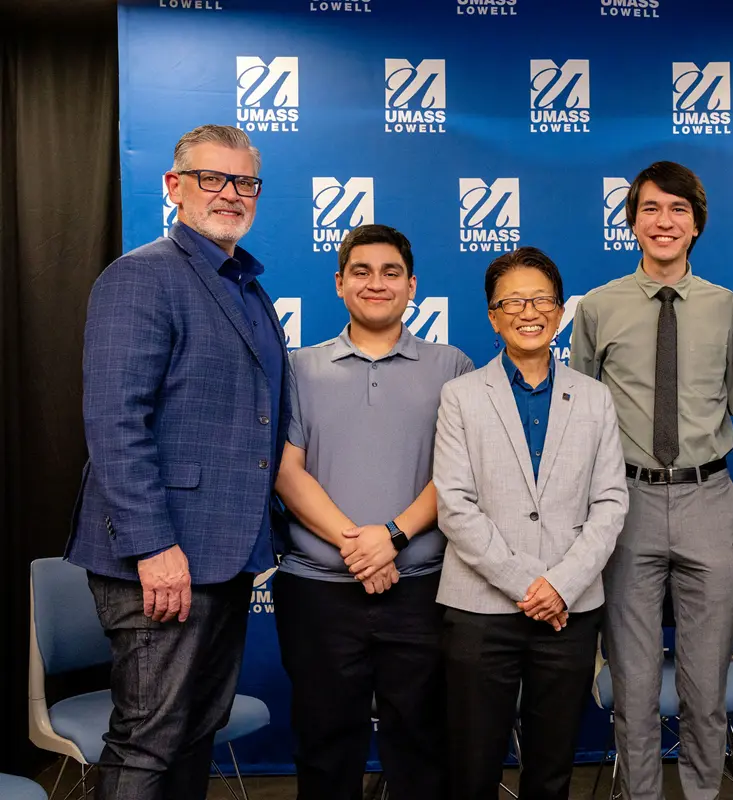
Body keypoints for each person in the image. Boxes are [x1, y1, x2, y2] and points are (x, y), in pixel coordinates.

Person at [66, 124, 287, 799]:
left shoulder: (248, 289)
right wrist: (154, 545)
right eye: (211, 179)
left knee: (197, 731)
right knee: (149, 742)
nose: (230, 194)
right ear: (174, 186)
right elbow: (114, 422)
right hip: (158, 560)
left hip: (222, 556)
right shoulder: (141, 278)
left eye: (243, 182)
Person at [272, 224, 472, 799]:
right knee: (325, 749)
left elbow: (455, 476)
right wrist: (361, 548)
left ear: (412, 286)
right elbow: (287, 472)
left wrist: (392, 537)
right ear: (339, 284)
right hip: (317, 592)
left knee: (422, 749)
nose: (376, 283)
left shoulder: (451, 366)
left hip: (421, 589)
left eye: (390, 273)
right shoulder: (298, 368)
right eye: (361, 271)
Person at [571, 161, 733, 800]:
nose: (664, 221)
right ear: (632, 222)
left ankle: (703, 794)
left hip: (708, 496)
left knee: (706, 689)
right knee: (635, 689)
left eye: (678, 209)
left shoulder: (728, 307)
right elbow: (582, 415)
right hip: (626, 502)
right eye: (650, 209)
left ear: (697, 223)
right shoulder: (597, 308)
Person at [434, 246, 628, 800]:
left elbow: (611, 502)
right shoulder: (461, 396)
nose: (529, 311)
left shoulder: (594, 399)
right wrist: (528, 586)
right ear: (493, 316)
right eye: (512, 301)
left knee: (552, 765)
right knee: (473, 765)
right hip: (480, 607)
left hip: (568, 610)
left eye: (541, 299)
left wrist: (560, 587)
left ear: (561, 310)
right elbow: (455, 505)